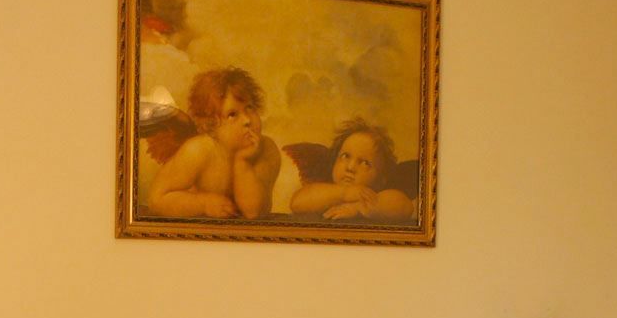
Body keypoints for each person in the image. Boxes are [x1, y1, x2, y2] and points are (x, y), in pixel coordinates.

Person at [145, 67, 281, 220]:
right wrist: (203, 204)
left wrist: (242, 162)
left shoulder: (267, 149)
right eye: (232, 115)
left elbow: (253, 212)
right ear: (211, 125)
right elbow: (156, 199)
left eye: (250, 108)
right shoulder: (199, 150)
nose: (247, 120)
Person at [286, 119, 416, 222]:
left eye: (365, 163)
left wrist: (358, 208)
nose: (350, 167)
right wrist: (344, 193)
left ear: (381, 179)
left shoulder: (378, 196)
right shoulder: (325, 191)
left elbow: (405, 206)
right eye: (345, 156)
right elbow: (297, 203)